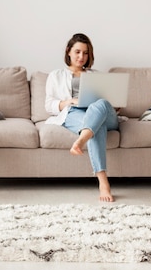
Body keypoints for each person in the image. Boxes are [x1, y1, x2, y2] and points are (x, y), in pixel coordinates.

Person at [44, 33, 119, 202]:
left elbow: (110, 103)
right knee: (95, 126)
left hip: (103, 113)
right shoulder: (56, 75)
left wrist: (115, 102)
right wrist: (69, 101)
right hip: (74, 112)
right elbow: (49, 105)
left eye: (85, 53)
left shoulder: (97, 75)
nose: (81, 57)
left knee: (98, 105)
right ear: (68, 51)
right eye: (77, 52)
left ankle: (80, 141)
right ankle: (103, 182)